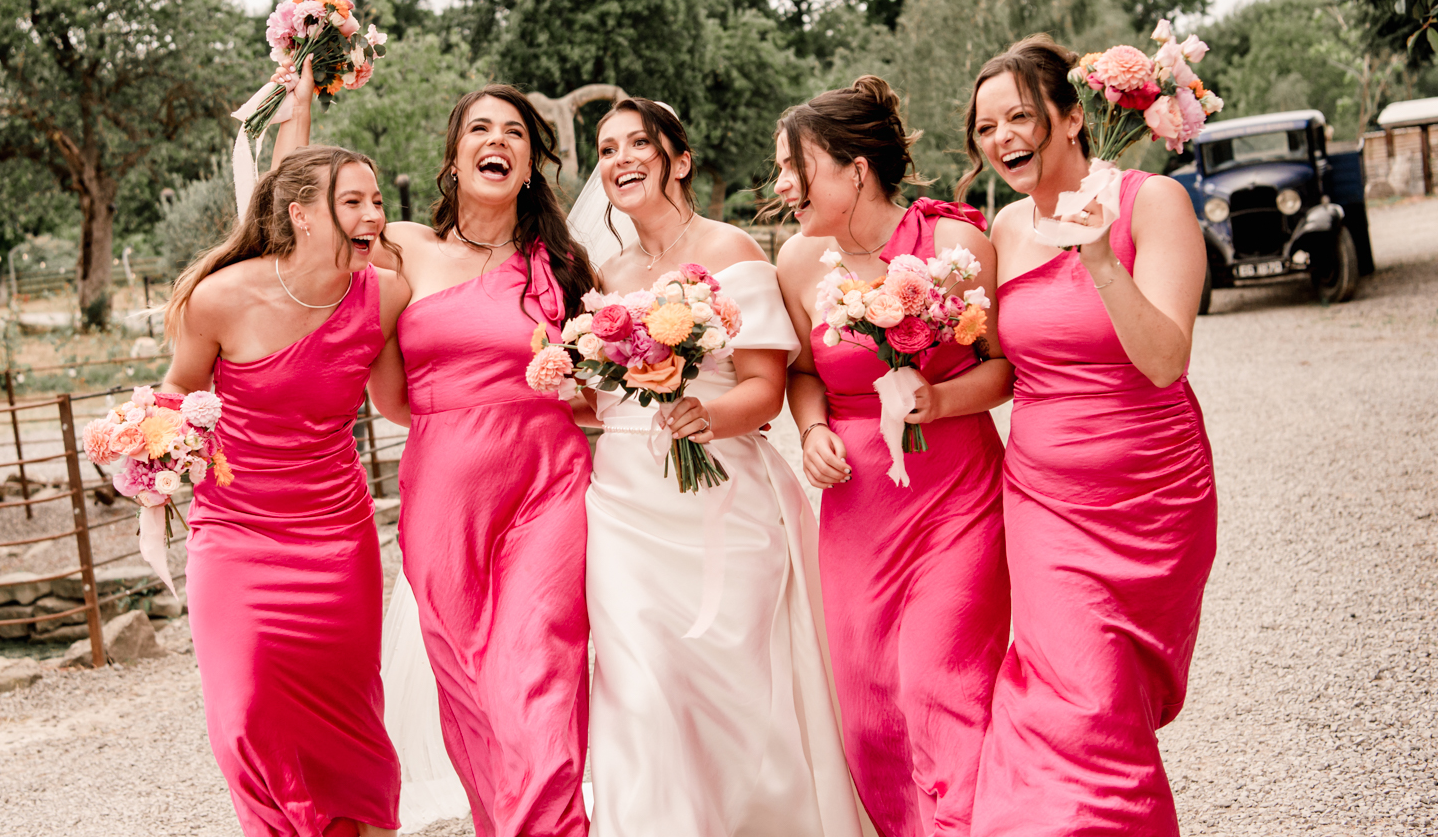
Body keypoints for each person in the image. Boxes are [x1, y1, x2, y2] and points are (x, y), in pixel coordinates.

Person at [567, 98, 865, 837]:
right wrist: (564, 380)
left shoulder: (733, 252)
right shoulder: (605, 275)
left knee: (737, 681)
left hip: (723, 493)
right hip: (626, 504)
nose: (622, 159)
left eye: (639, 142)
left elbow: (763, 394)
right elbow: (604, 404)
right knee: (640, 684)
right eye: (607, 150)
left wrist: (706, 415)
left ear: (681, 159)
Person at [966, 34, 1216, 835]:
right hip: (1042, 500)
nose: (1001, 138)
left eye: (1019, 118)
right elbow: (1002, 365)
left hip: (1151, 492)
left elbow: (1165, 361)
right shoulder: (1003, 229)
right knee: (1074, 699)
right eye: (984, 128)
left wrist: (1101, 256)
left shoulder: (1154, 204)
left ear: (1073, 117)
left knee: (1111, 700)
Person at [162, 80, 406, 836]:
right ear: (302, 215)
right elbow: (176, 392)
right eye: (354, 202)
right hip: (235, 534)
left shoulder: (387, 295)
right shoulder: (220, 299)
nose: (373, 216)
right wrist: (156, 457)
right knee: (246, 715)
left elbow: (400, 404)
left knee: (347, 718)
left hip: (337, 538)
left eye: (376, 201)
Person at [772, 76, 1013, 837]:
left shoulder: (956, 245)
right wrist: (811, 432)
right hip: (856, 513)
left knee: (941, 685)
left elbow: (1004, 368)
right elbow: (804, 375)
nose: (782, 187)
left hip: (957, 500)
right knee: (869, 710)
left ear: (854, 168)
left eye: (793, 166)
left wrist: (936, 399)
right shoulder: (796, 263)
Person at [366, 84, 596, 837]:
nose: (496, 141)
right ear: (455, 154)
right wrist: (298, 100)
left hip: (549, 487)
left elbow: (604, 382)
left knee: (539, 678)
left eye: (514, 134)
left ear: (529, 163)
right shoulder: (404, 248)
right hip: (442, 495)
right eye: (480, 129)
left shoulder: (563, 267)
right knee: (469, 690)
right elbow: (393, 400)